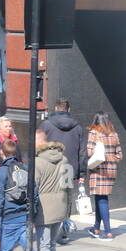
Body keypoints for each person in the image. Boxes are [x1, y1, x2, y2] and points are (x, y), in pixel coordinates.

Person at [39, 99, 86, 243]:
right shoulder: (78, 127)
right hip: (69, 168)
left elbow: (38, 144)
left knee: (49, 197)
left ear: (55, 108)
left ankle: (50, 231)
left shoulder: (46, 125)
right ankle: (62, 231)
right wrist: (82, 172)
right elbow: (82, 151)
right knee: (66, 199)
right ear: (68, 109)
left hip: (49, 167)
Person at [33, 130, 73, 251]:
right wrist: (67, 210)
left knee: (42, 247)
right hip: (61, 207)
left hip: (44, 209)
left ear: (40, 142)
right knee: (51, 246)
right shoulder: (64, 159)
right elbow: (69, 185)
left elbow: (33, 189)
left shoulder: (37, 162)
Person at [86, 112, 122, 240]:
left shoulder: (94, 132)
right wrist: (111, 159)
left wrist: (100, 155)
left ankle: (108, 232)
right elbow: (120, 155)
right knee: (100, 198)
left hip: (99, 169)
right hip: (111, 170)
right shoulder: (114, 134)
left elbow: (90, 152)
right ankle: (96, 228)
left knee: (102, 200)